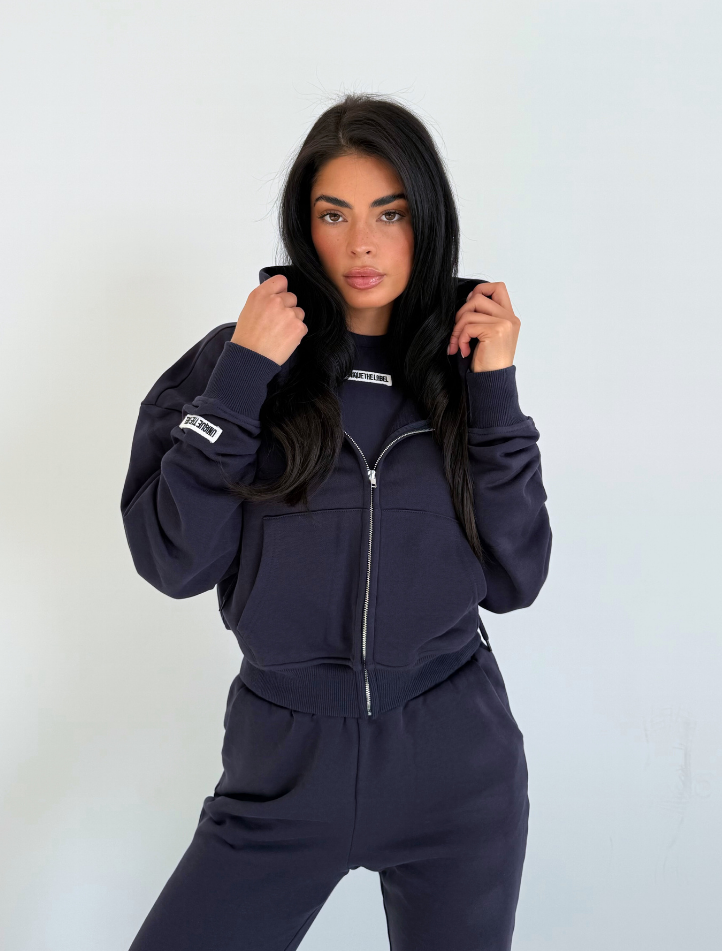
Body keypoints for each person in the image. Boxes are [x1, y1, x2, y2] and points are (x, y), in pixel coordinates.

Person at [120, 92, 552, 951]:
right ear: (303, 225)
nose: (362, 244)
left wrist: (497, 392)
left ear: (426, 221)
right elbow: (174, 559)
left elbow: (516, 578)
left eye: (390, 213)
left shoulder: (463, 368)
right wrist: (240, 377)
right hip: (283, 771)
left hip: (455, 771)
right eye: (334, 214)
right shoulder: (235, 364)